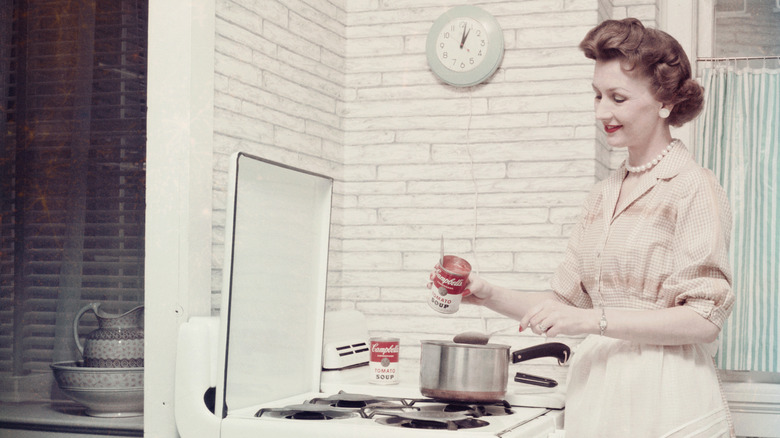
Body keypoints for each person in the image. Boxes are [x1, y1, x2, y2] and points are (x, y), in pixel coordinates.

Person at [436, 18, 736, 437]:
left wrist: (593, 322)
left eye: (617, 97)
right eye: (597, 96)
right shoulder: (602, 194)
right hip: (598, 387)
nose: (601, 112)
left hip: (665, 390)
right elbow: (565, 305)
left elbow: (704, 320)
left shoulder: (693, 187)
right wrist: (485, 293)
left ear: (665, 101)